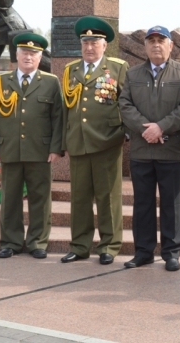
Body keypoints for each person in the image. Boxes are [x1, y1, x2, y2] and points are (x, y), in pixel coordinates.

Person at [119, 26, 180, 271]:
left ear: (170, 45)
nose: (155, 45)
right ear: (145, 46)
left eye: (160, 40)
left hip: (170, 150)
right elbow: (125, 104)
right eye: (151, 41)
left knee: (171, 204)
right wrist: (146, 130)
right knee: (142, 203)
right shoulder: (133, 75)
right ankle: (143, 251)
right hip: (142, 149)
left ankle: (171, 252)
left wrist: (161, 127)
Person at [0, 33, 63, 259]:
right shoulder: (1, 82)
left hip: (40, 151)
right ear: (16, 55)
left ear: (40, 58)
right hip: (9, 149)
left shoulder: (50, 82)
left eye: (34, 53)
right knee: (10, 198)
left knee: (40, 198)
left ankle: (38, 241)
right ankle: (10, 242)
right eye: (24, 53)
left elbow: (57, 117)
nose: (29, 57)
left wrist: (56, 148)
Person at [60, 17, 129, 264]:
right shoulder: (71, 70)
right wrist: (62, 142)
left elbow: (127, 103)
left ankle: (109, 246)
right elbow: (64, 108)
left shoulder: (119, 68)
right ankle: (79, 245)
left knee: (107, 197)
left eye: (94, 43)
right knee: (79, 198)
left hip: (107, 142)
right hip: (78, 142)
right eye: (85, 42)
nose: (89, 48)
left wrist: (123, 133)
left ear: (105, 45)